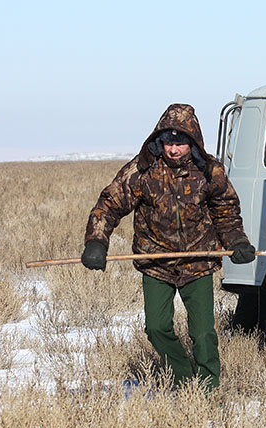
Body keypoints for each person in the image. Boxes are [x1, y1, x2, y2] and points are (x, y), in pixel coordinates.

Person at [81, 103, 255, 391]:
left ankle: (208, 391)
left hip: (198, 261)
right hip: (156, 261)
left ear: (193, 141)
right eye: (168, 142)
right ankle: (186, 381)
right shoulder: (142, 170)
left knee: (202, 333)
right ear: (159, 141)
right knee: (157, 328)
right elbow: (109, 205)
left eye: (180, 143)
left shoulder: (210, 171)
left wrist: (237, 242)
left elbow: (226, 211)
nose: (173, 149)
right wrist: (97, 242)